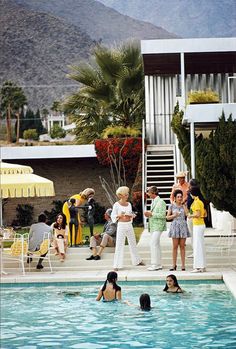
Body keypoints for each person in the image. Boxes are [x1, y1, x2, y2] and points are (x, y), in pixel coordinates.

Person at [111, 186, 144, 270]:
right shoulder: (116, 204)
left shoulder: (129, 204)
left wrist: (132, 215)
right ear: (121, 195)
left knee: (133, 243)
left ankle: (137, 261)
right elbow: (113, 216)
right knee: (119, 245)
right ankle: (116, 265)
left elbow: (130, 213)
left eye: (127, 194)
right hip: (121, 225)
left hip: (129, 225)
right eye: (126, 194)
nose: (127, 195)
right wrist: (119, 215)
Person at [166, 189, 190, 271]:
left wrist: (184, 206)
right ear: (175, 198)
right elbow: (167, 217)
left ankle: (183, 265)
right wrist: (174, 215)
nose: (180, 198)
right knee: (175, 246)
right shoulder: (171, 206)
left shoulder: (184, 205)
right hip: (175, 226)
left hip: (183, 226)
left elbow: (187, 214)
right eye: (178, 197)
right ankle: (174, 265)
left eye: (181, 196)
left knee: (182, 246)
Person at [144, 186, 166, 271]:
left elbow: (162, 215)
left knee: (153, 244)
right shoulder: (153, 202)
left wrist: (151, 214)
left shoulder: (161, 202)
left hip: (158, 226)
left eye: (149, 192)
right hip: (153, 226)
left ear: (153, 193)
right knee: (156, 244)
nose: (148, 194)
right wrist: (149, 214)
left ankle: (155, 264)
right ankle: (158, 264)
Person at [188, 187, 206, 273]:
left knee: (197, 246)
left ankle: (198, 267)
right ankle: (202, 266)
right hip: (200, 224)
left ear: (192, 193)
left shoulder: (197, 202)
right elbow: (204, 214)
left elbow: (198, 214)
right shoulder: (200, 201)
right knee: (200, 245)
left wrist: (191, 216)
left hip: (198, 225)